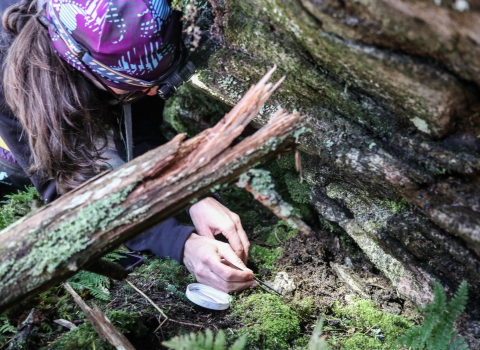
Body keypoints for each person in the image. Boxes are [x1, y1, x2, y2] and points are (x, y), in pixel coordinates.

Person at [0, 0, 255, 292]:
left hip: (84, 85)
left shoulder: (138, 28)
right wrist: (179, 243)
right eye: (138, 86)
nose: (154, 92)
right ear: (83, 67)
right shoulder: (12, 78)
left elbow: (137, 131)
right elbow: (67, 187)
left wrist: (190, 191)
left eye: (160, 81)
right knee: (15, 170)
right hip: (17, 116)